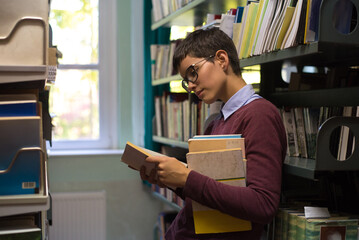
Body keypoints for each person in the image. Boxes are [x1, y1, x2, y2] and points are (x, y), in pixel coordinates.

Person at [140, 27, 287, 240]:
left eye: (192, 72)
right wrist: (173, 180)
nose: (189, 86)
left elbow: (262, 204)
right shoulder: (216, 123)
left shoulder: (259, 115)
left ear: (221, 59)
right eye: (185, 80)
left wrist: (187, 179)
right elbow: (211, 196)